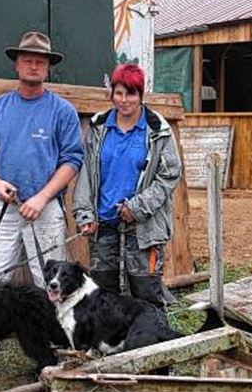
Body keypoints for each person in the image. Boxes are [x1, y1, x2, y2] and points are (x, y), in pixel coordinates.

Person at [0, 31, 84, 287]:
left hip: (46, 207)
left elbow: (72, 160)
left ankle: (52, 328)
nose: (33, 66)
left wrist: (41, 198)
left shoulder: (62, 111)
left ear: (48, 68)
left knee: (53, 283)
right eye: (27, 60)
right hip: (3, 205)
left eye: (40, 62)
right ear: (16, 64)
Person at [72, 63, 182, 305]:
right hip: (104, 223)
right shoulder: (98, 127)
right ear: (111, 94)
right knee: (104, 291)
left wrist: (137, 207)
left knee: (146, 290)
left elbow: (169, 175)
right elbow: (87, 174)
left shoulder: (157, 130)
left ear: (141, 95)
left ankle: (153, 341)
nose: (124, 100)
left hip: (144, 225)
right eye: (118, 93)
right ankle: (113, 342)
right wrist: (84, 214)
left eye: (130, 93)